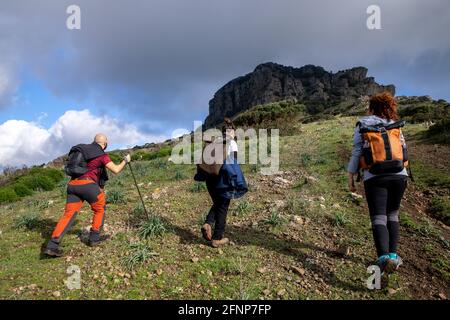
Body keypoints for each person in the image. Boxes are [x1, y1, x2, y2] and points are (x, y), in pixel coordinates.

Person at [347, 92, 408, 274]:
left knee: (378, 217)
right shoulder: (395, 124)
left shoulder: (363, 124)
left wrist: (351, 176)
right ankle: (394, 256)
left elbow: (357, 152)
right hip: (399, 175)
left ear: (372, 108)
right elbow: (404, 149)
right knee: (393, 214)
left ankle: (383, 259)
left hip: (375, 177)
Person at [44, 134, 131, 257]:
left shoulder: (84, 151)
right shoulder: (101, 155)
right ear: (105, 144)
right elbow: (116, 170)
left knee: (68, 215)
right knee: (100, 209)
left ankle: (52, 246)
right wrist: (125, 161)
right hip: (88, 186)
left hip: (72, 185)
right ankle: (94, 238)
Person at [201, 118, 247, 248]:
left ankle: (208, 223)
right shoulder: (231, 143)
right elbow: (233, 164)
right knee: (223, 206)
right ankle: (217, 238)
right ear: (232, 132)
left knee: (218, 203)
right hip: (223, 177)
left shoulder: (215, 142)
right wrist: (237, 182)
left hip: (210, 177)